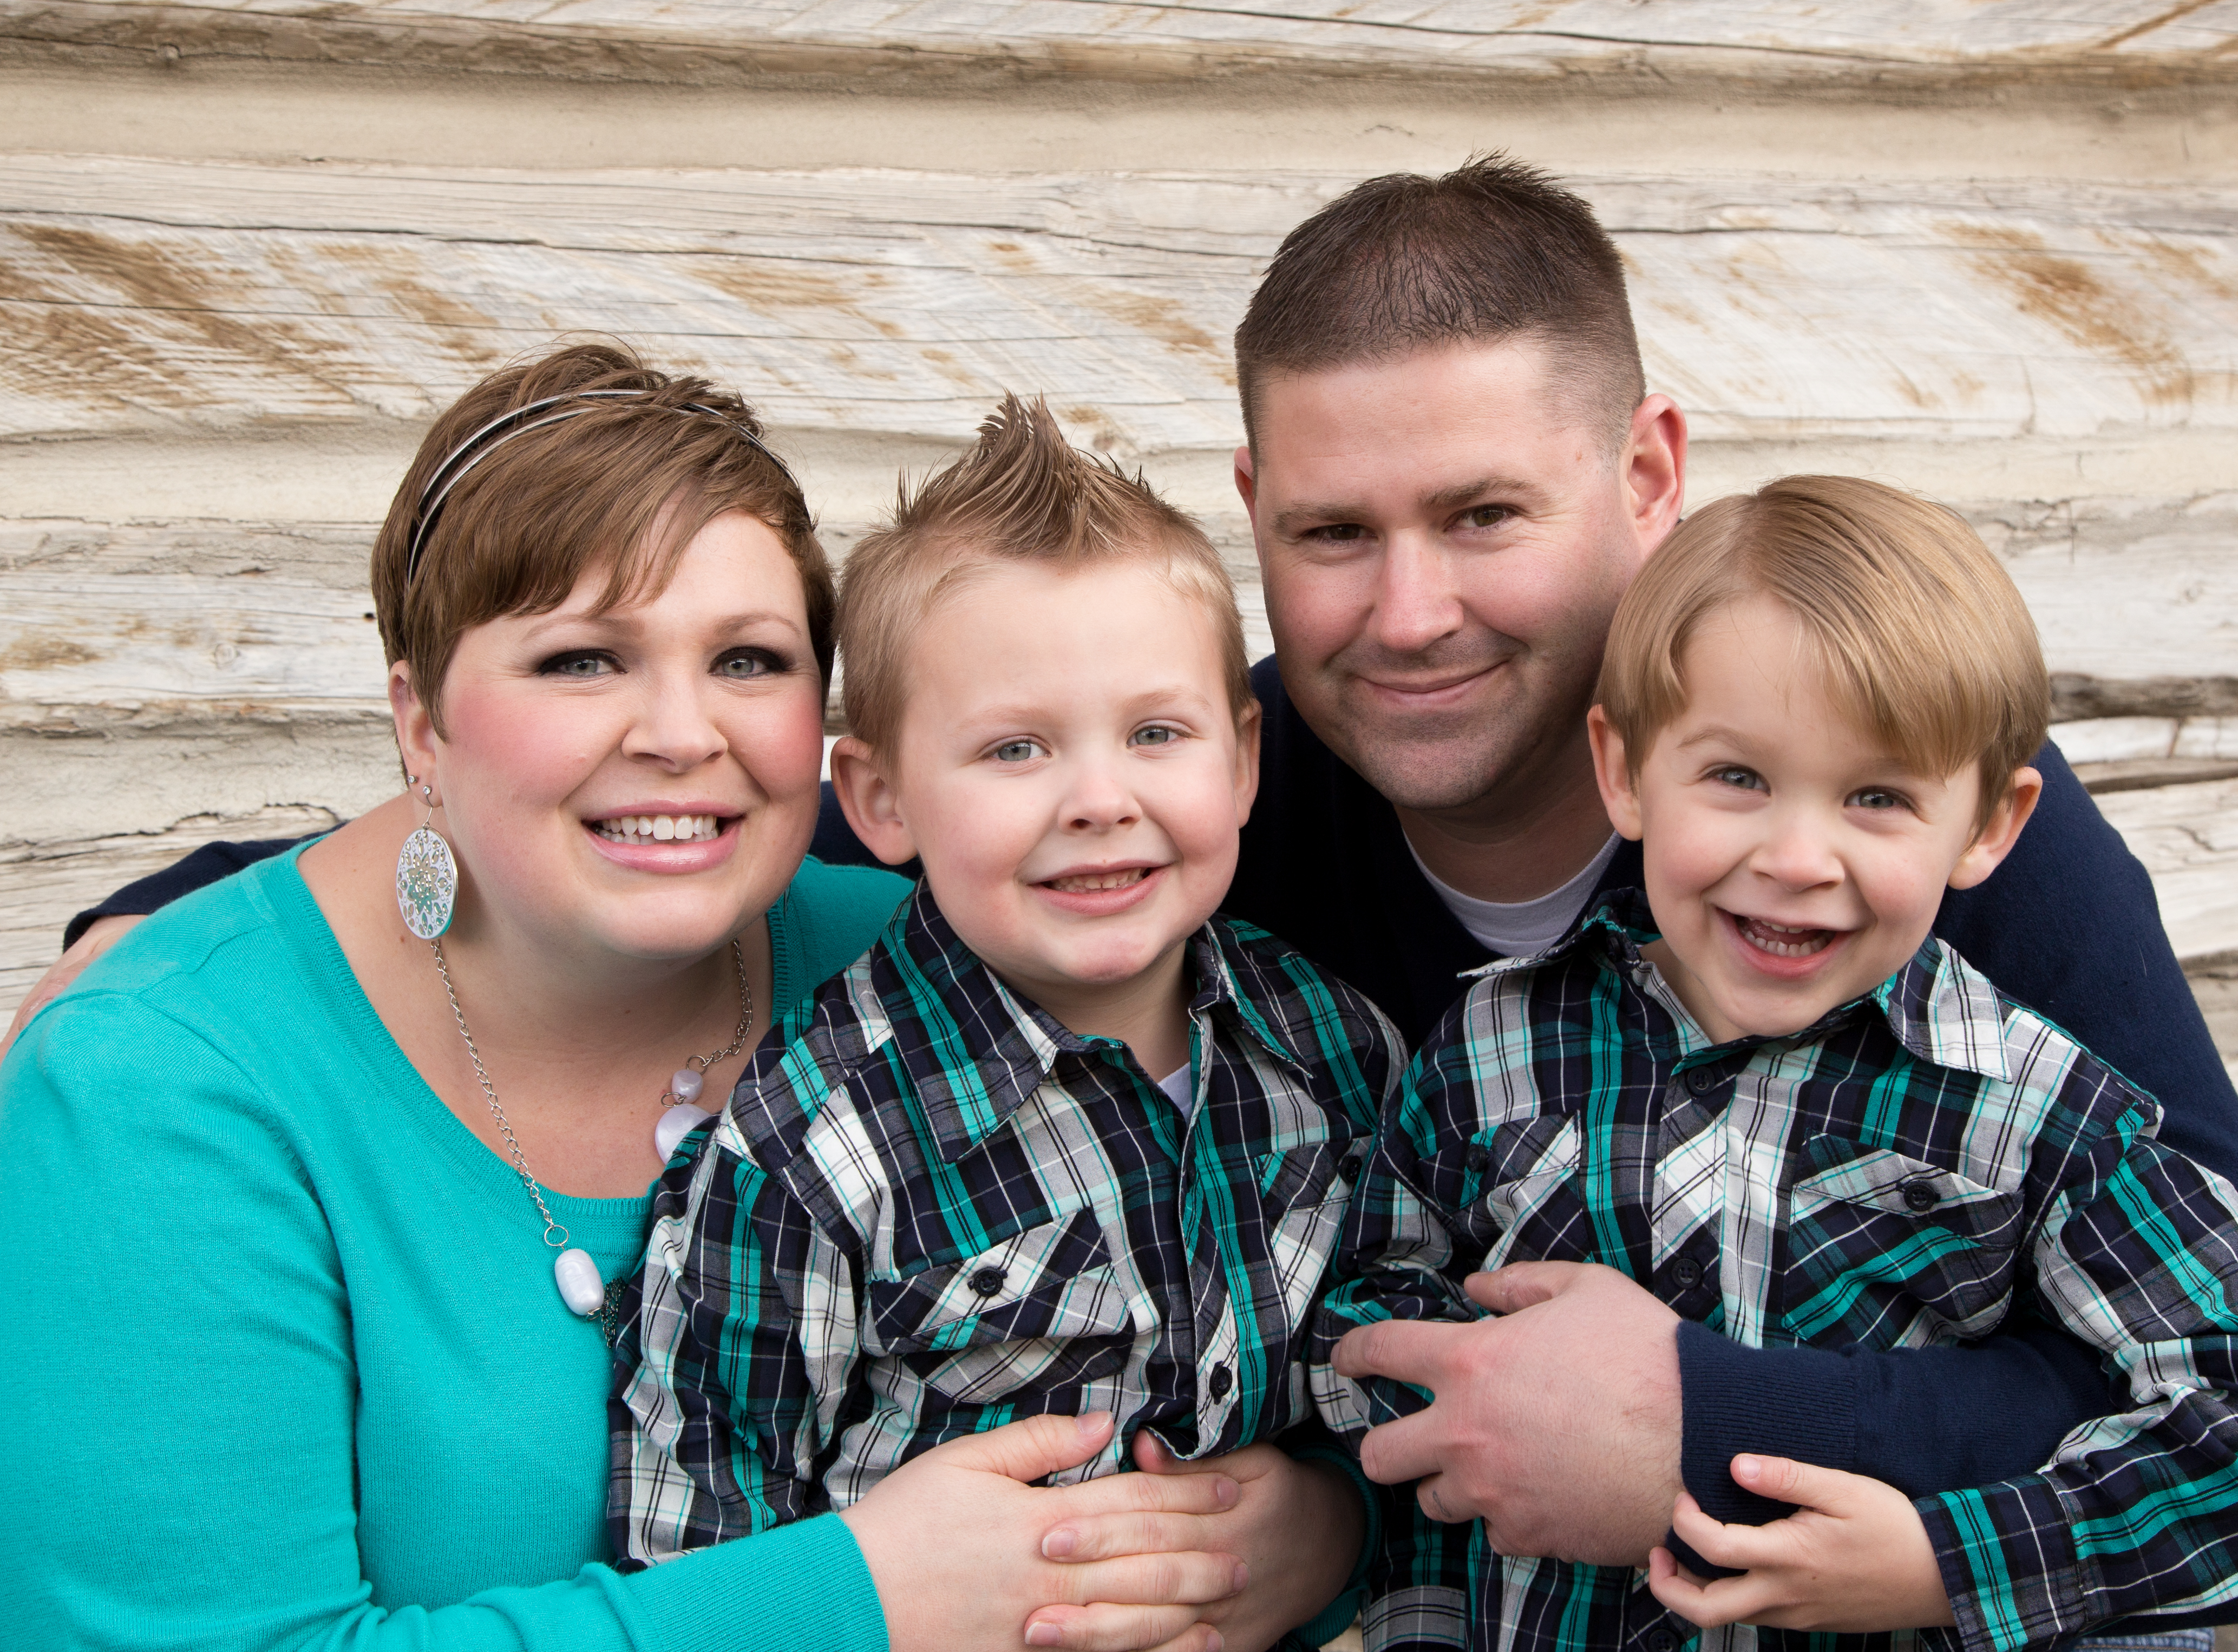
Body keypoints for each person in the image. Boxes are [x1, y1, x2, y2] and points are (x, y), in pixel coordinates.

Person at [19, 153, 2238, 1575]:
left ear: (1646, 473)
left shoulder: (1912, 834)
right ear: (1255, 513)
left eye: (1484, 515)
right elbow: (694, 802)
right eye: (1334, 534)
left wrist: (1692, 1421)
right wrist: (215, 908)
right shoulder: (1215, 801)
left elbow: (2206, 1359)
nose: (1407, 614)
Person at [0, 343, 1345, 1652]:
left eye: (748, 658)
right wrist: (861, 1599)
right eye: (581, 659)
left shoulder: (941, 949)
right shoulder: (158, 1090)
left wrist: (1318, 1528)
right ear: (418, 721)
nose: (683, 733)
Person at [1318, 475, 2238, 1651]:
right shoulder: (1497, 1045)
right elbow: (1369, 1301)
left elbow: (2218, 1401)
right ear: (1623, 770)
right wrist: (1468, 1408)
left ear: (1990, 827)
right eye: (1739, 778)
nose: (1798, 857)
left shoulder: (2032, 1106)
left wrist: (1939, 1565)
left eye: (1877, 796)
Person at [608, 396, 1388, 1652]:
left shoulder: (1331, 1048)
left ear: (1243, 758)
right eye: (1017, 748)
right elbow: (700, 1540)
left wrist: (1343, 1512)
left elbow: (1404, 1351)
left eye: (1156, 732)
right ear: (879, 797)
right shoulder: (809, 1151)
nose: (1100, 798)